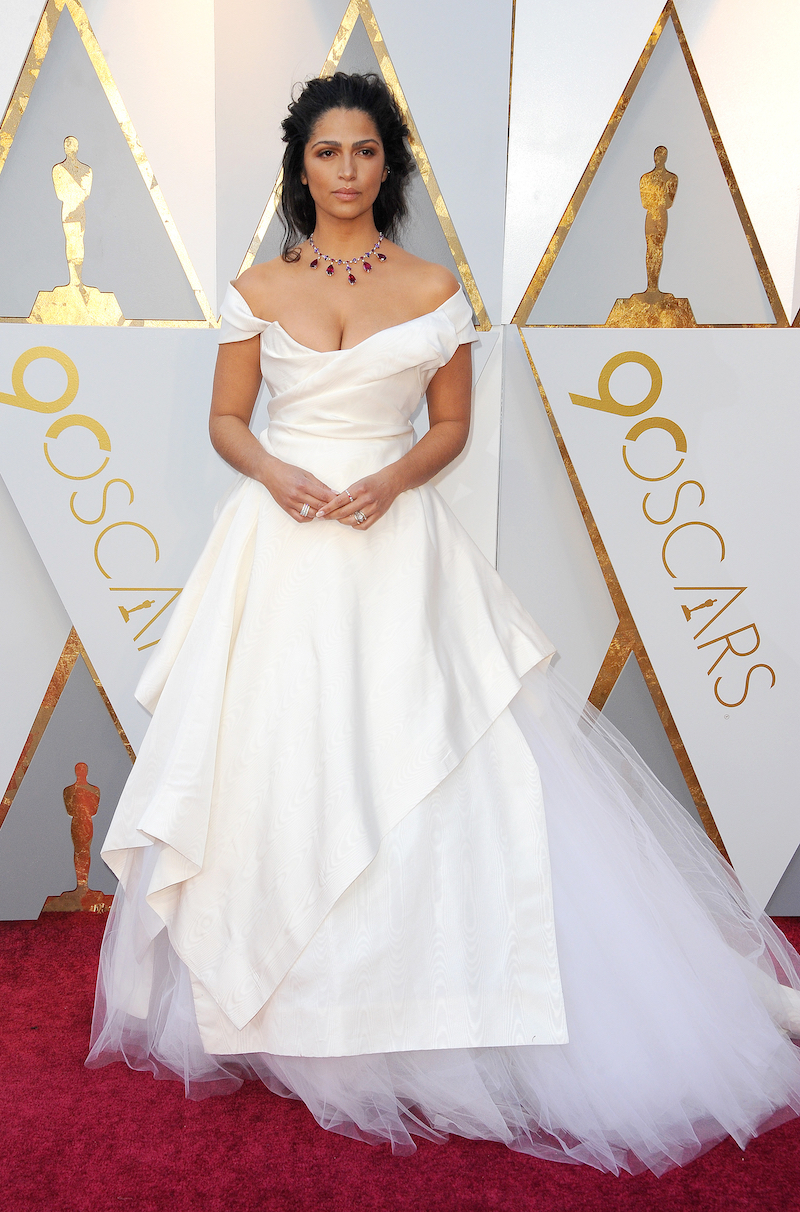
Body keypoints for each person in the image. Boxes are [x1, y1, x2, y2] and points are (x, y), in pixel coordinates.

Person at [87, 72, 800, 1175]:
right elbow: (227, 421)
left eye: (364, 152)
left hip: (396, 547)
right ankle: (290, 996)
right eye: (326, 153)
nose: (345, 171)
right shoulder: (255, 287)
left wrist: (391, 479)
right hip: (279, 551)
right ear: (301, 165)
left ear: (389, 165)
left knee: (435, 756)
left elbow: (451, 425)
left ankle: (439, 990)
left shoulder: (430, 286)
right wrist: (277, 473)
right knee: (280, 762)